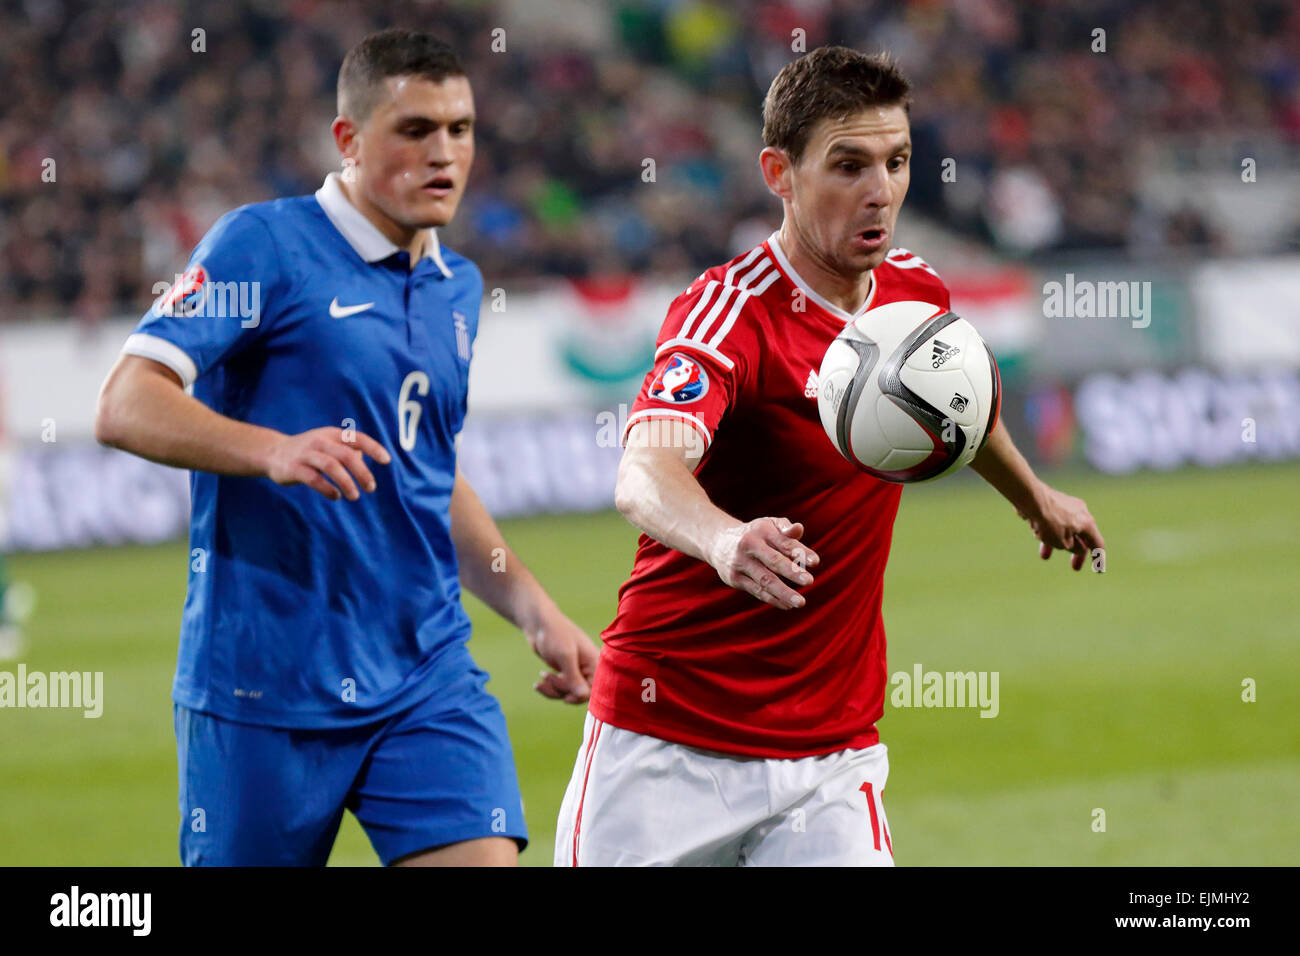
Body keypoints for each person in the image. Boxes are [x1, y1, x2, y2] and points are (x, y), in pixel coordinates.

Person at [555, 46, 1104, 867]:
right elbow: (644, 470)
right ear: (779, 172)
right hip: (667, 741)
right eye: (848, 165)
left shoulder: (919, 294)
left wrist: (1031, 494)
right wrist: (726, 539)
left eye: (897, 161)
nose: (879, 190)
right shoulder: (730, 315)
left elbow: (965, 408)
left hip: (831, 751)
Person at [95, 28, 598, 867]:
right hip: (264, 685)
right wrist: (270, 450)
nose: (445, 153)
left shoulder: (457, 288)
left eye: (460, 129)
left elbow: (428, 475)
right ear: (348, 140)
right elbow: (124, 403)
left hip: (425, 672)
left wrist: (532, 608)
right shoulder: (264, 246)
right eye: (415, 130)